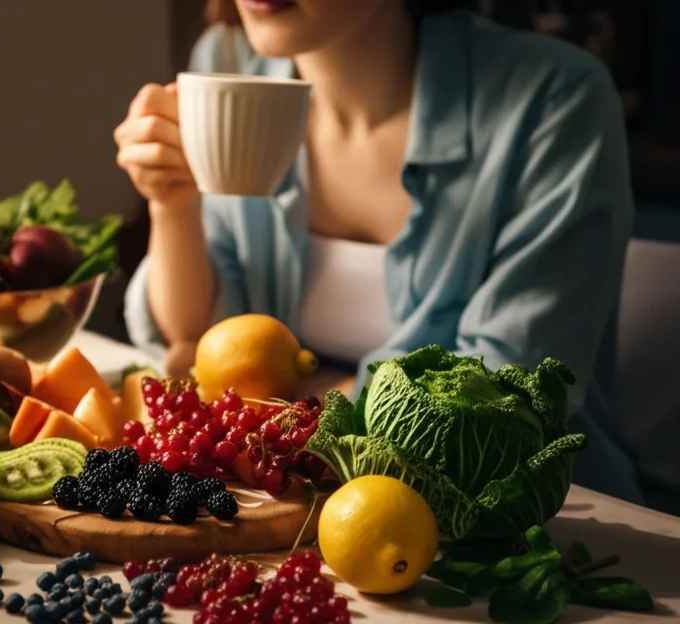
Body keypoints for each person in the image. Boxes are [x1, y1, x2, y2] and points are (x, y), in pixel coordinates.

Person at [113, 0, 642, 504]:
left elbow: (506, 399)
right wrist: (172, 205)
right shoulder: (228, 65)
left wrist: (291, 410)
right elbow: (197, 342)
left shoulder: (554, 97)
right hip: (292, 505)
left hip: (523, 531)